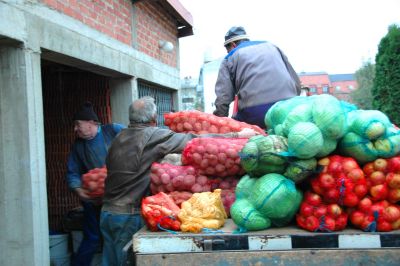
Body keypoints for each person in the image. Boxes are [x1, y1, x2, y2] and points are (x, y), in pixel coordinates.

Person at [100, 96, 258, 265]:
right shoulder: (151, 135)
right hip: (127, 216)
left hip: (107, 213)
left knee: (109, 260)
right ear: (153, 120)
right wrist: (237, 135)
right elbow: (193, 140)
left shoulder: (119, 137)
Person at [65, 102, 125, 266]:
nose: (75, 129)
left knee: (117, 238)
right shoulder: (78, 146)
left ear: (91, 122)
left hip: (119, 200)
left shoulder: (113, 131)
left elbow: (136, 145)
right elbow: (72, 172)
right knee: (92, 238)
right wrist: (78, 190)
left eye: (78, 124)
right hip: (93, 201)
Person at [213, 26, 301, 129]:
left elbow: (223, 97)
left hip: (256, 114)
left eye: (228, 50)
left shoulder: (229, 58)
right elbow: (296, 84)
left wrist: (218, 123)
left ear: (233, 45)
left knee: (235, 124)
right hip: (287, 109)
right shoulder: (273, 47)